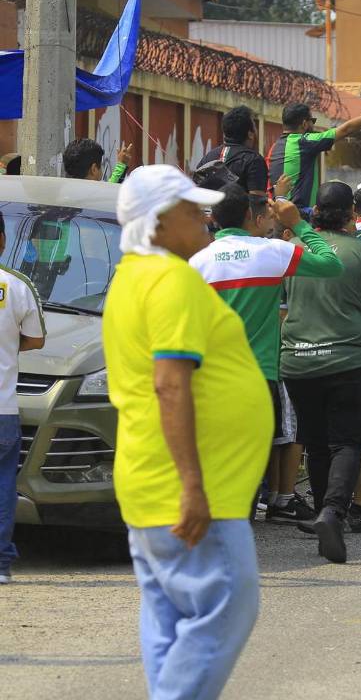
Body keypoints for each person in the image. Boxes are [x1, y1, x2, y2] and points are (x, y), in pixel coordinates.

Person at [103, 165, 269, 699]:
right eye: (190, 208)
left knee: (169, 617)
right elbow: (170, 385)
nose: (204, 215)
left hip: (148, 480)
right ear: (156, 221)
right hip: (195, 485)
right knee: (229, 603)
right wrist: (192, 485)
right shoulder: (171, 280)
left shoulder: (130, 277)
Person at [189, 184, 344, 525]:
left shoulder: (198, 261)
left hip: (209, 377)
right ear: (249, 216)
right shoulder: (270, 252)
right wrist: (301, 225)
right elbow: (331, 265)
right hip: (257, 377)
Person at [280, 181, 361, 564]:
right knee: (349, 441)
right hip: (348, 361)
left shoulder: (295, 249)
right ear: (352, 215)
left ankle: (327, 515)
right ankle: (333, 512)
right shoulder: (360, 251)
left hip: (298, 361)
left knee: (316, 441)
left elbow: (283, 310)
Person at [0, 210, 45, 584]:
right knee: (3, 487)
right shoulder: (16, 285)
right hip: (4, 411)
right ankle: (0, 565)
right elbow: (36, 339)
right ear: (2, 241)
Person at [268, 96, 361, 209]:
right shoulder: (303, 142)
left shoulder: (275, 147)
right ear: (304, 124)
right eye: (313, 121)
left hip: (280, 211)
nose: (313, 125)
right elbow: (346, 129)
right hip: (299, 215)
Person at [200, 106, 267, 196]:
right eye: (255, 127)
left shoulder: (208, 158)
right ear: (250, 134)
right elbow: (257, 205)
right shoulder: (254, 161)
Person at [62, 138, 133, 182]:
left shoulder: (60, 195)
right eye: (101, 165)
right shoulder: (95, 199)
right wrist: (120, 166)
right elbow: (107, 194)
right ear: (94, 169)